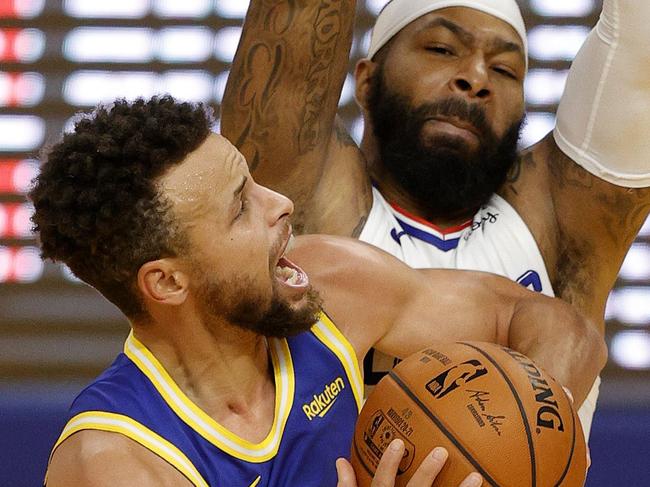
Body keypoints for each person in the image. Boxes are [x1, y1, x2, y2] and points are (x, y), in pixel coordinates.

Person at [33, 97, 603, 487]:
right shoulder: (117, 462)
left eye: (254, 179)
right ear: (167, 281)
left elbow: (555, 325)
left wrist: (528, 430)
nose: (279, 202)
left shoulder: (331, 283)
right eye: (240, 208)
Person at [220, 0, 650, 439]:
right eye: (442, 49)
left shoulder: (558, 225)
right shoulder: (303, 201)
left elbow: (641, 45)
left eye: (504, 71)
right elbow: (297, 26)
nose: (476, 78)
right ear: (366, 81)